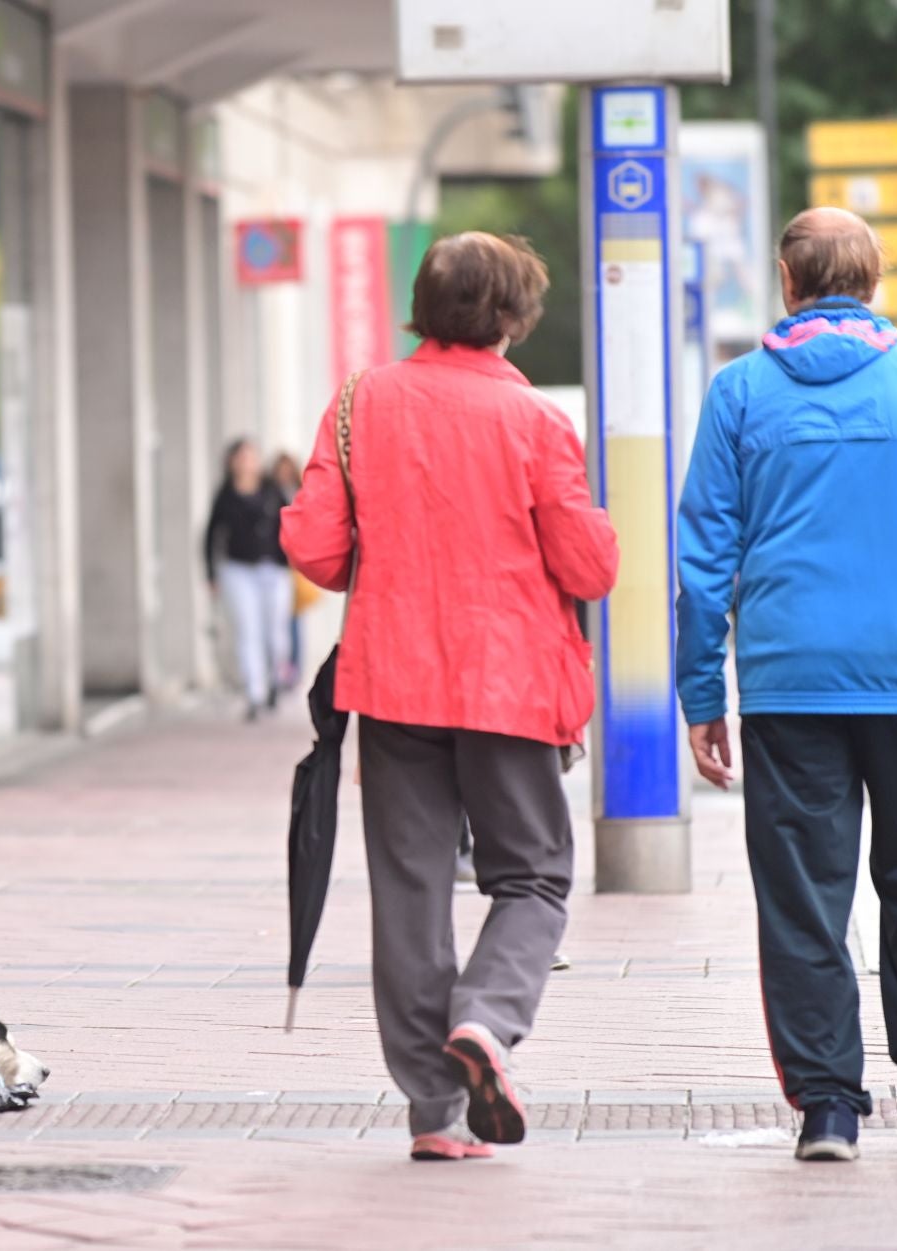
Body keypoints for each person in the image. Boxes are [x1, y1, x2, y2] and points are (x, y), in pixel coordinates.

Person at [676, 207, 897, 1163]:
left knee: (803, 898)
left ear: (787, 284)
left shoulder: (740, 394)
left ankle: (828, 1108)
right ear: (873, 285)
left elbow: (703, 557)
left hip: (789, 685)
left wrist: (701, 694)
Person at [282, 232, 618, 1162]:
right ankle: (486, 1017)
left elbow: (314, 547)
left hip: (392, 679)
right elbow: (589, 563)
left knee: (411, 889)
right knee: (535, 874)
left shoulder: (360, 402)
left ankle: (434, 1111)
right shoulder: (538, 423)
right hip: (509, 682)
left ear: (422, 308)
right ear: (510, 318)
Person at [205, 438, 293, 720]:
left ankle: (274, 681)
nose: (247, 461)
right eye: (241, 456)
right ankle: (254, 693)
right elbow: (210, 534)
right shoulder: (226, 495)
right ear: (232, 462)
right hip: (237, 570)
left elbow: (291, 523)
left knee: (275, 632)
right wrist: (211, 573)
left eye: (251, 456)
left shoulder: (272, 490)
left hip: (273, 569)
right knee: (247, 630)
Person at [273, 451, 313, 681]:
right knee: (281, 622)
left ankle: (294, 667)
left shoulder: (301, 493)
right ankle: (283, 668)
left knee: (296, 621)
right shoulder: (271, 493)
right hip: (279, 565)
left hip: (295, 567)